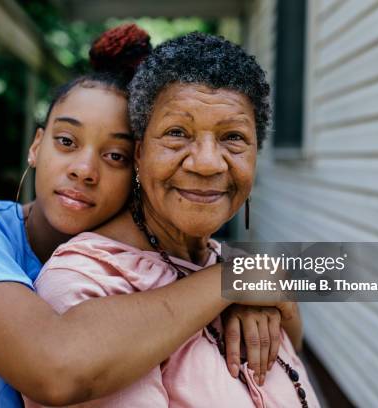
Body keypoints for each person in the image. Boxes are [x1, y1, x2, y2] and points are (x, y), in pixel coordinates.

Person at [0, 26, 289, 407]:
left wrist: (256, 292)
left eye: (115, 155)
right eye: (66, 141)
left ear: (138, 169)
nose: (84, 169)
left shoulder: (150, 262)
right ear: (37, 146)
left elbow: (336, 273)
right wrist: (232, 282)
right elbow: (54, 368)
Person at [29, 32, 318, 407]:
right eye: (177, 133)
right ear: (139, 154)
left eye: (233, 137)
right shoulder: (86, 283)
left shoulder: (227, 263)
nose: (207, 162)